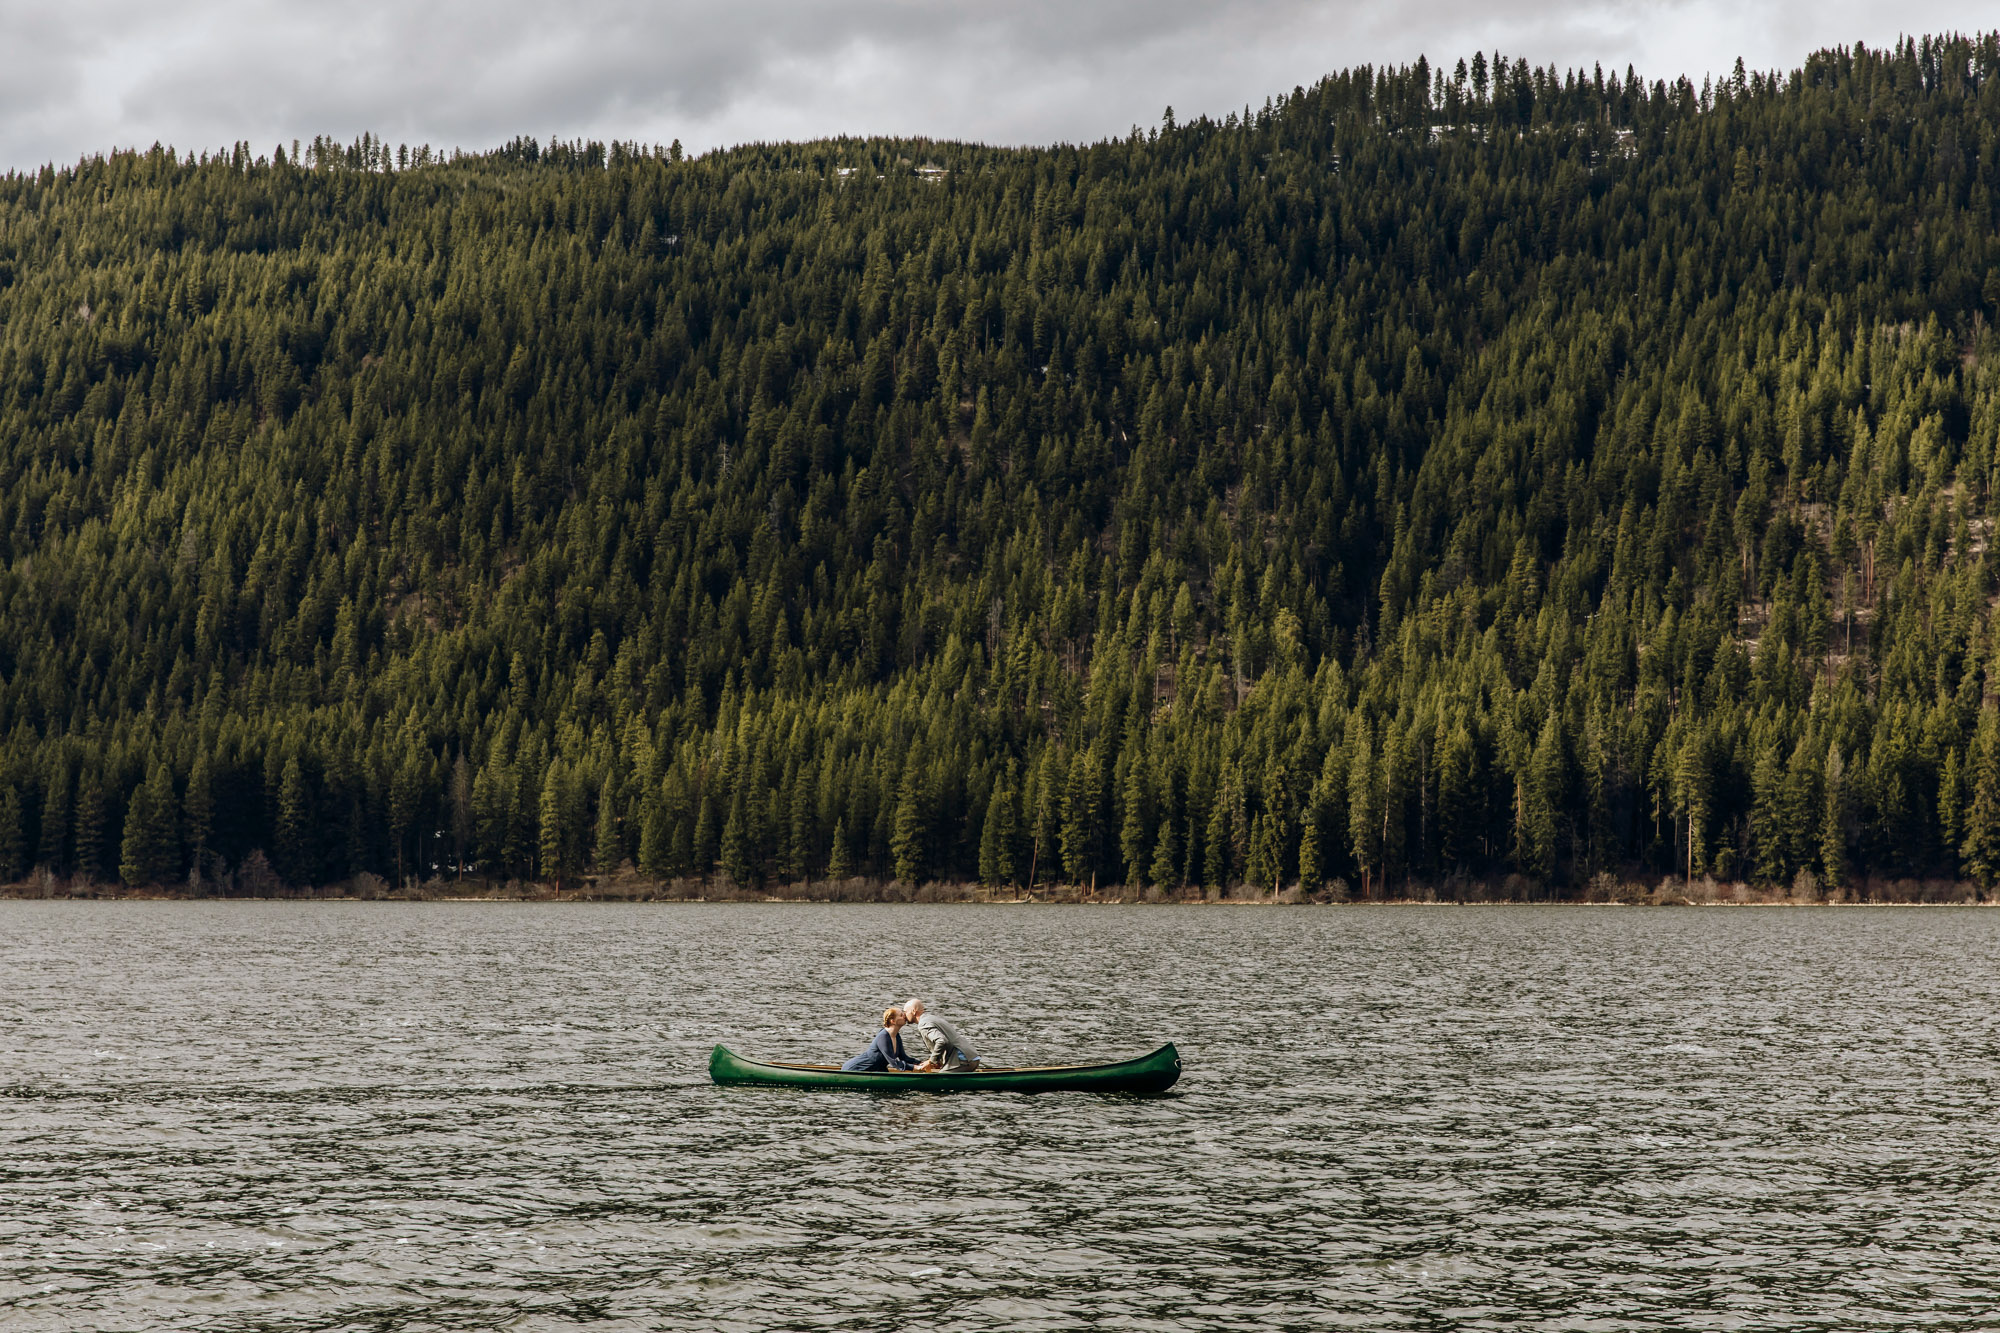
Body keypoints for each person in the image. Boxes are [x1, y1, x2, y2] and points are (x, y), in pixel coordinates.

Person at [903, 997, 980, 1072]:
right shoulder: (932, 1018)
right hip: (973, 1057)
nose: (904, 1015)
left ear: (913, 1011)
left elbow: (941, 1041)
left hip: (963, 1060)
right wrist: (938, 1061)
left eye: (905, 1012)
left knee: (939, 1079)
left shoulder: (923, 1024)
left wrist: (931, 1061)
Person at [840, 1006, 917, 1073]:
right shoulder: (883, 1036)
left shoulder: (896, 1036)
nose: (904, 1016)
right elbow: (894, 1063)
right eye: (901, 1015)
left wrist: (921, 1063)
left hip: (877, 1070)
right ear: (892, 1021)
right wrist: (915, 1068)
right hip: (855, 1069)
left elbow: (904, 1058)